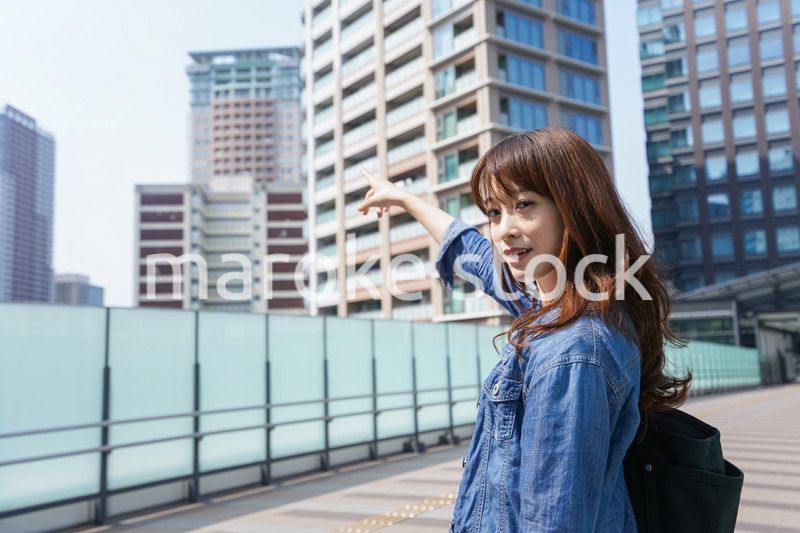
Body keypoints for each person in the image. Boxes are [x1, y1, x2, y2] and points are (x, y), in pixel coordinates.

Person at [358, 127, 691, 532]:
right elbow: (475, 254)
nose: (503, 230)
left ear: (573, 207)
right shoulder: (562, 308)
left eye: (524, 205)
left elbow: (555, 521)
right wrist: (406, 199)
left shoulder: (572, 350)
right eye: (495, 212)